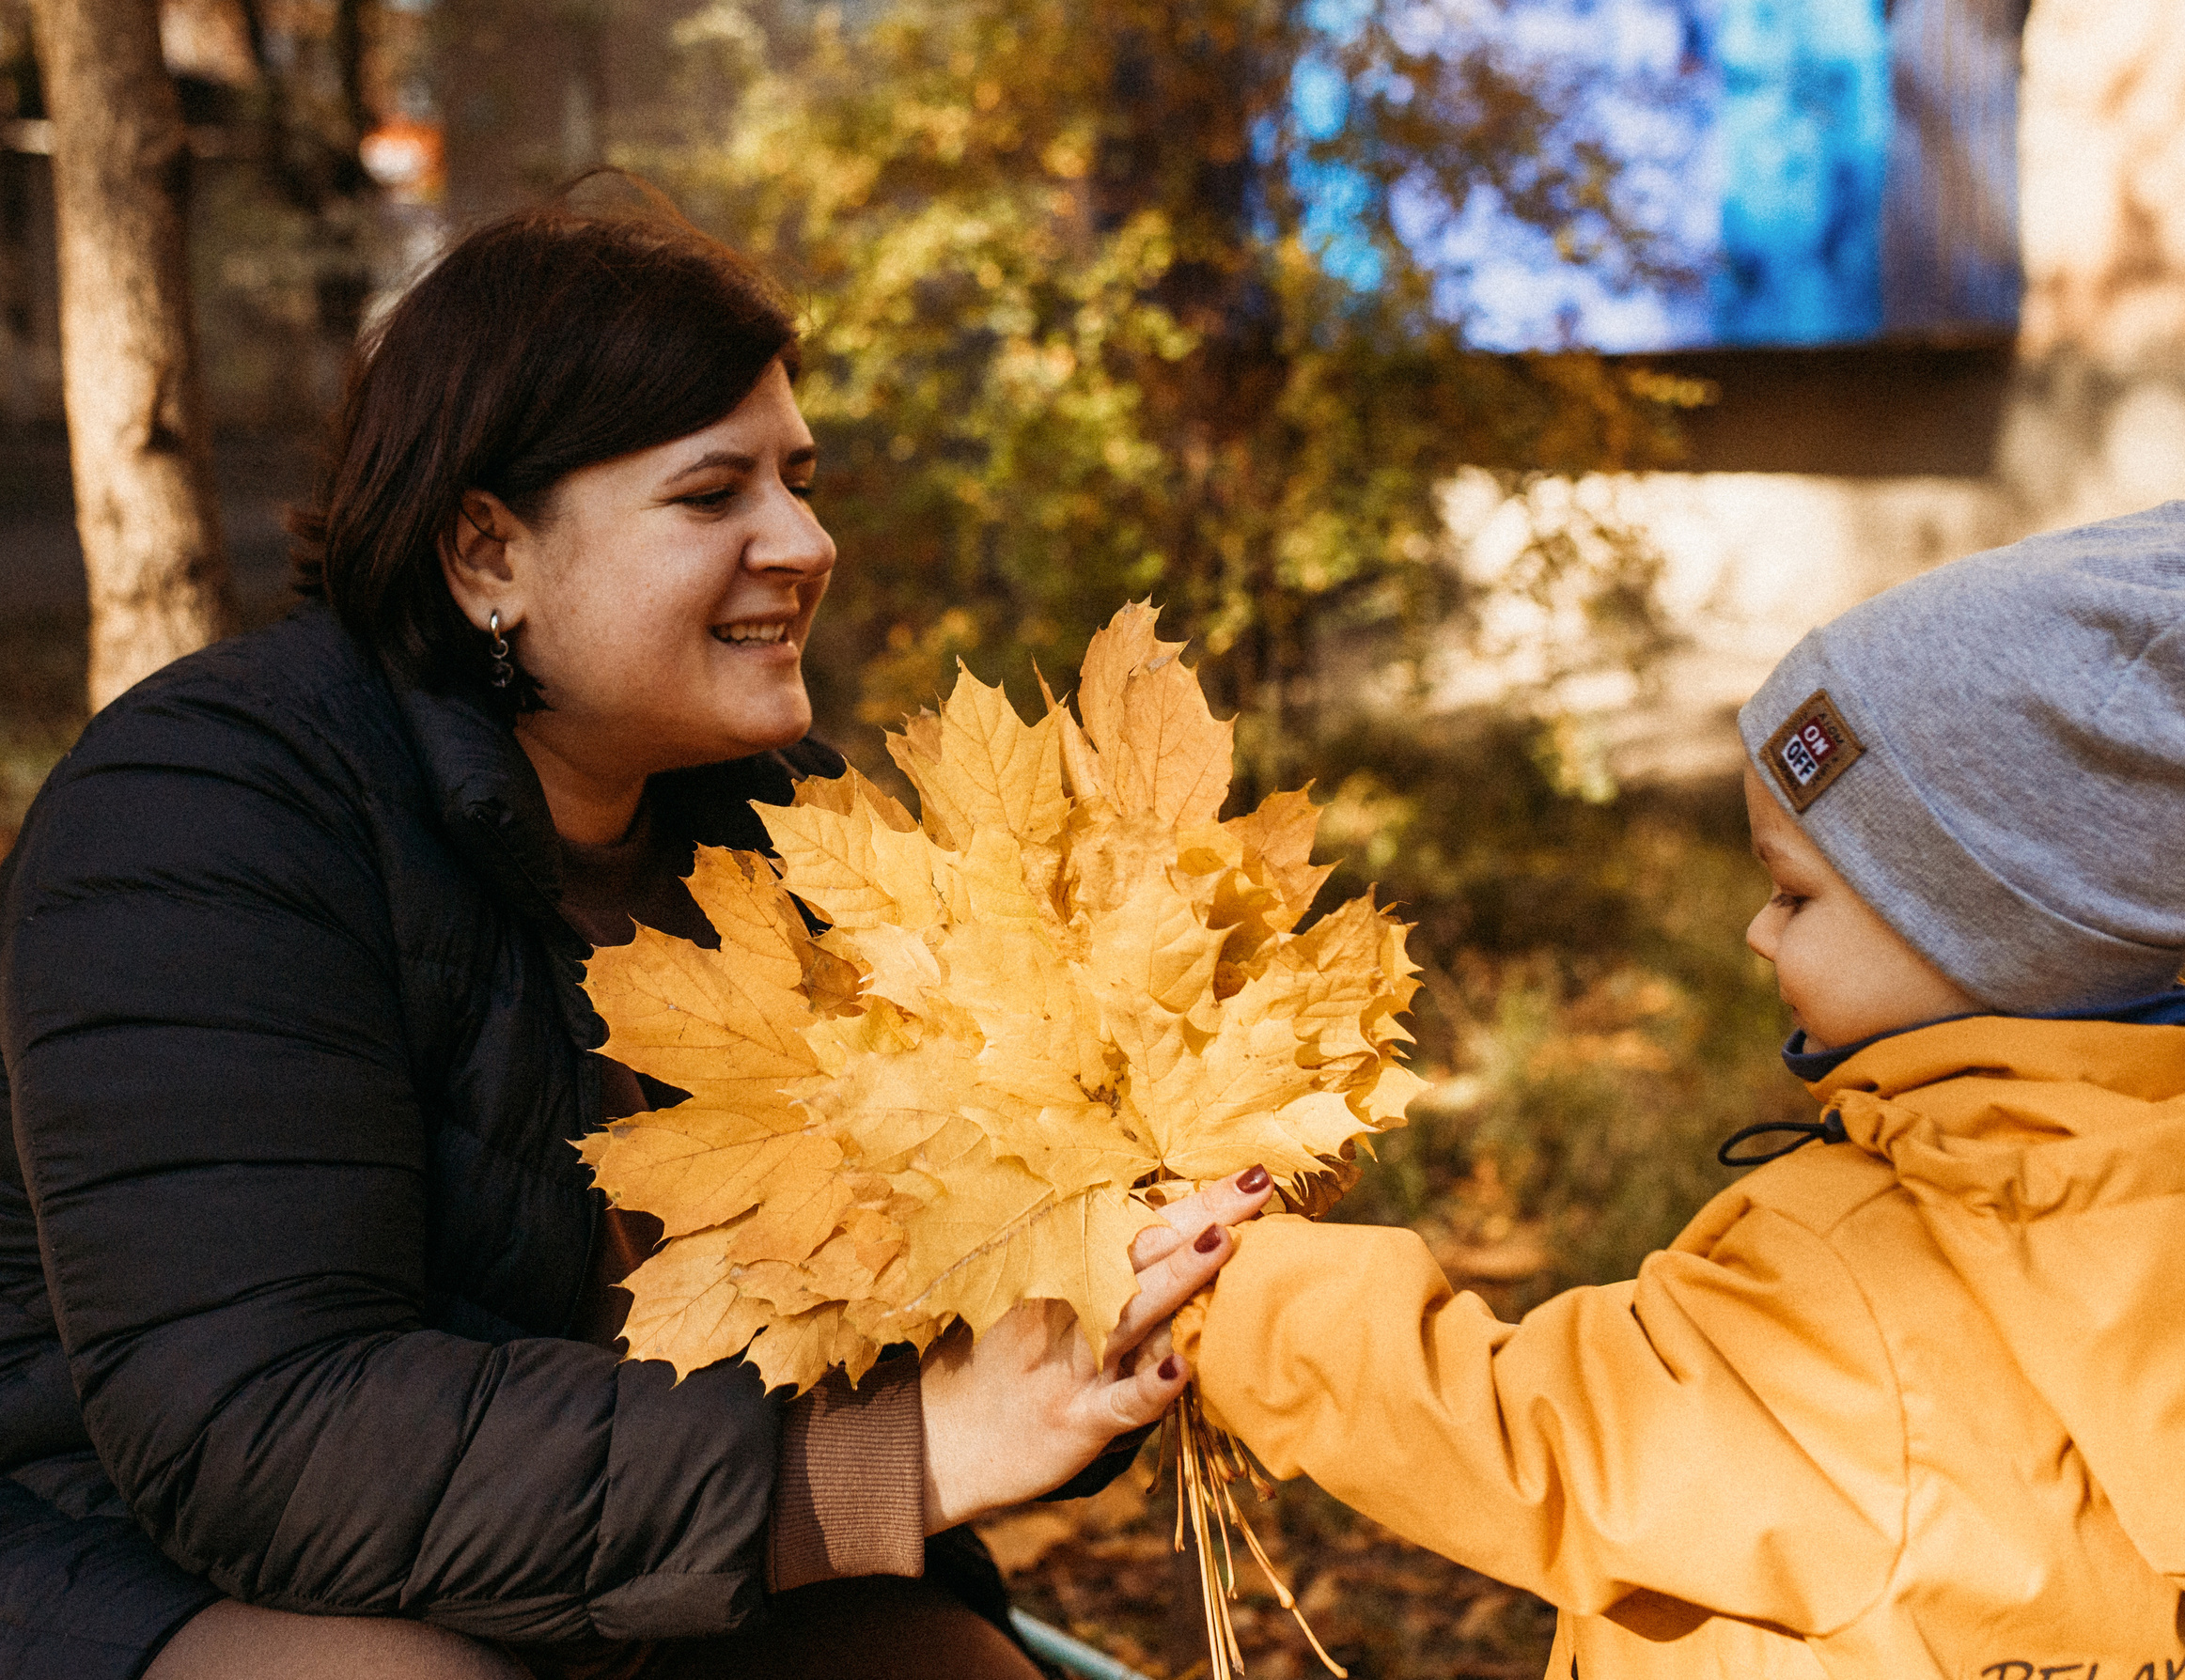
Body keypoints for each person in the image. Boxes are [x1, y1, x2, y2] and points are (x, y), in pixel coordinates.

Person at [0, 201, 1272, 1680]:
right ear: (490, 553)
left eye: (798, 479)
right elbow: (260, 1425)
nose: (802, 541)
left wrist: (1104, 1292)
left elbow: (919, 1329)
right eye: (711, 493)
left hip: (622, 1550)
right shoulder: (207, 817)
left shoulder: (784, 835)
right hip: (124, 1545)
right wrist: (890, 1464)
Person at [1178, 503, 2185, 1676]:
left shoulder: (1861, 1270)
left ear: (1968, 935)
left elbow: (1537, 1440)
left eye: (1796, 895)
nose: (1757, 932)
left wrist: (1229, 1293)